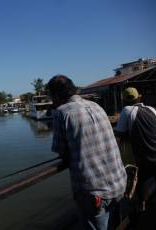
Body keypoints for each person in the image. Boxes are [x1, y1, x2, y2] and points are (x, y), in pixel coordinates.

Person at [47, 75, 127, 230]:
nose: (51, 101)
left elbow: (60, 150)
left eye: (51, 97)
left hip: (95, 193)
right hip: (118, 183)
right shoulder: (95, 106)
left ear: (56, 96)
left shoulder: (61, 113)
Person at [114, 87, 156, 228]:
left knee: (143, 195)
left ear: (123, 101)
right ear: (139, 98)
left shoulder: (126, 111)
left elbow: (120, 133)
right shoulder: (152, 110)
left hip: (147, 160)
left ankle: (139, 221)